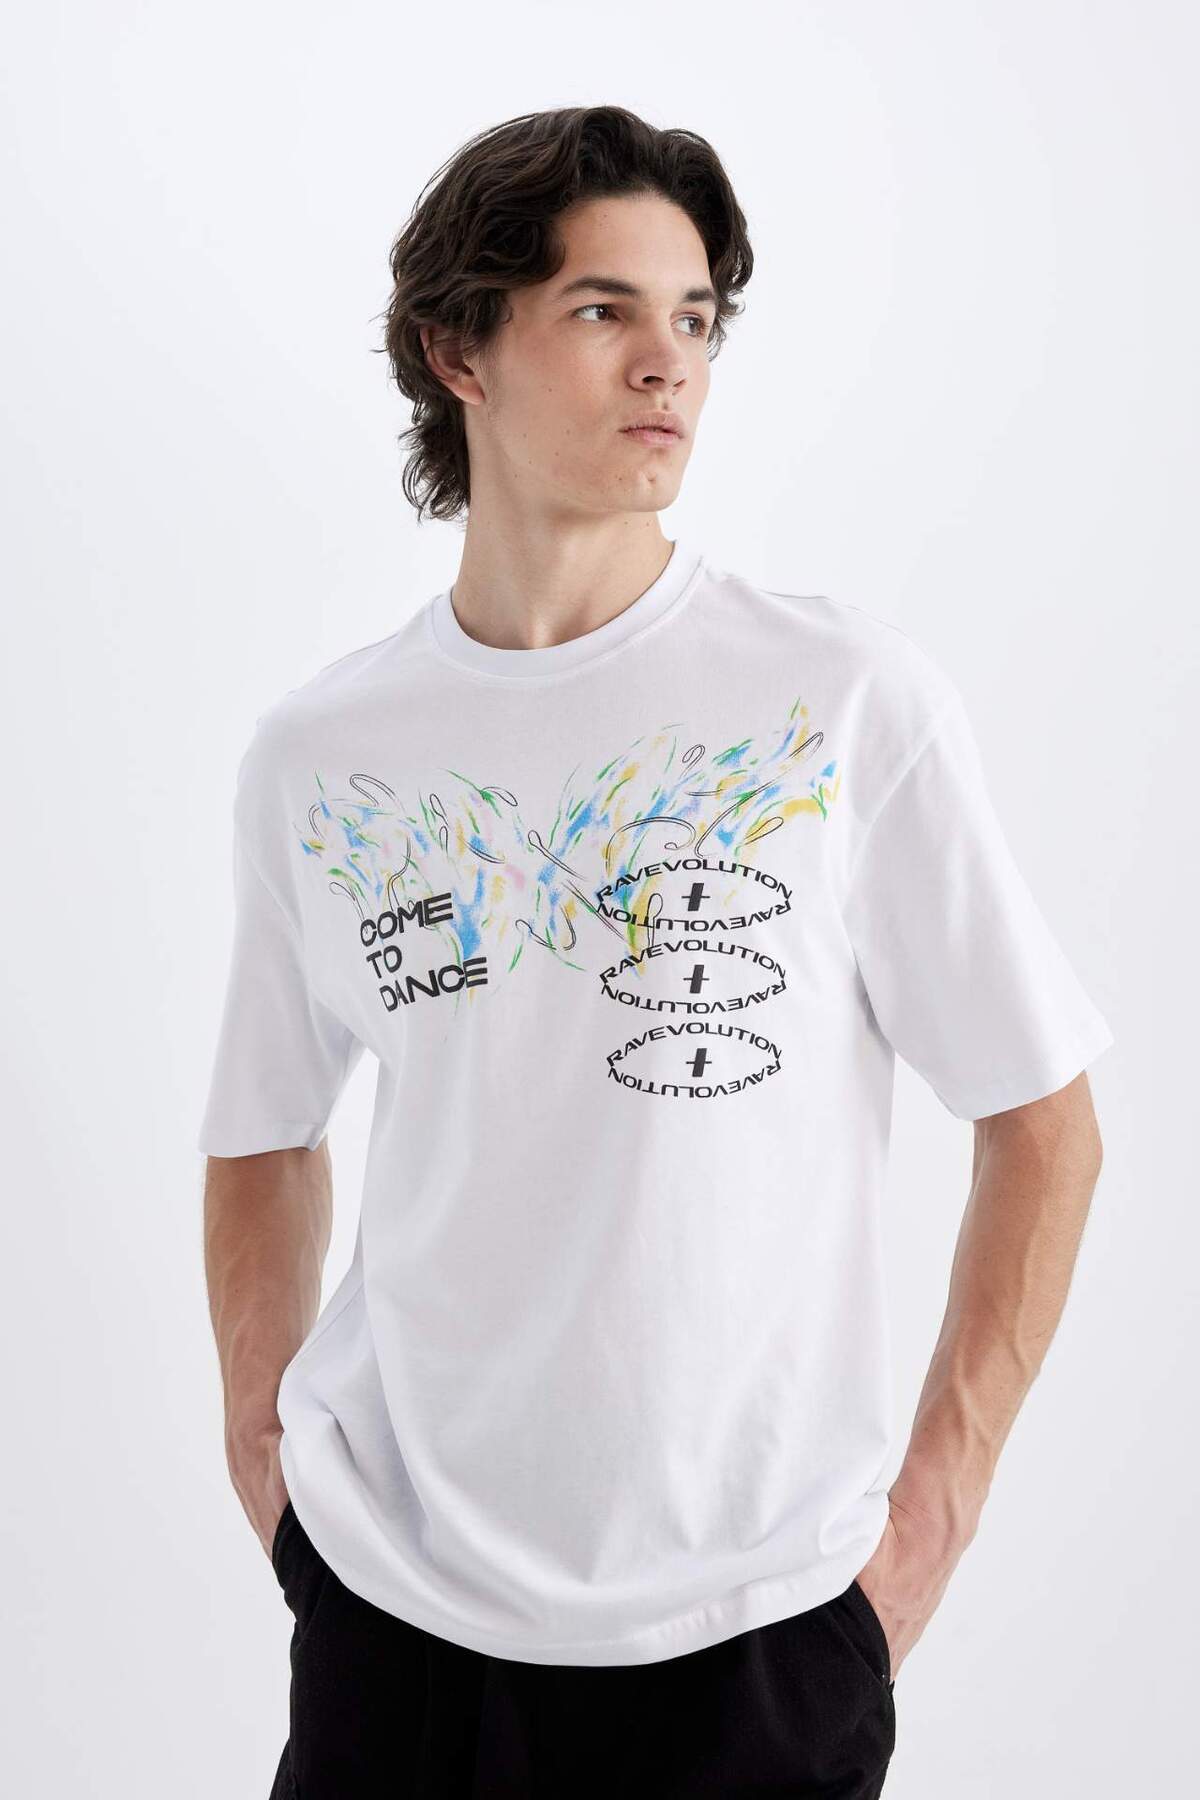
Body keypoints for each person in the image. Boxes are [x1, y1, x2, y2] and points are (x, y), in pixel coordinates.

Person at [198, 104, 1113, 1798]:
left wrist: (929, 1521)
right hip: (395, 1625)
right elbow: (263, 1131)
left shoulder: (841, 704)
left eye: (694, 317)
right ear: (458, 350)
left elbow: (1043, 1122)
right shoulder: (325, 755)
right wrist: (270, 1459)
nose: (667, 362)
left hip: (757, 1639)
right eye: (603, 309)